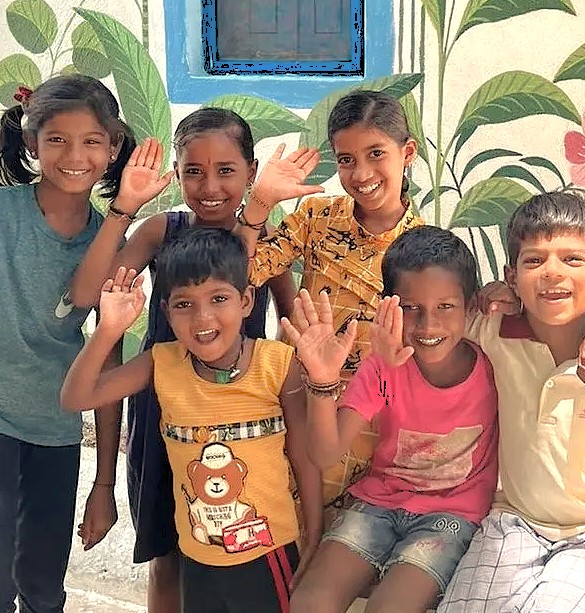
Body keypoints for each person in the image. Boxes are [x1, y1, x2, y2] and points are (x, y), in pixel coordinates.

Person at [65, 107, 298, 613]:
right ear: (176, 170)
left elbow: (291, 323)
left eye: (227, 170)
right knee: (168, 553)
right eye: (192, 170)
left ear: (252, 172)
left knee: (244, 549)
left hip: (247, 430)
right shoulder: (160, 231)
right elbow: (87, 296)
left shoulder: (266, 240)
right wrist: (124, 208)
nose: (209, 185)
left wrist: (257, 213)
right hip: (165, 420)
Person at [60, 228, 322, 612]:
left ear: (246, 300)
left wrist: (313, 535)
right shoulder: (161, 362)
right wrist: (108, 330)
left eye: (219, 298)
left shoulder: (277, 365)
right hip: (198, 559)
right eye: (184, 304)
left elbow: (304, 456)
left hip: (269, 556)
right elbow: (76, 398)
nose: (203, 318)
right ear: (166, 311)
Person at [437, 191, 585, 613]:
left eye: (572, 259)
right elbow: (434, 325)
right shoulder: (493, 332)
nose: (552, 273)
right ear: (512, 277)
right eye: (534, 261)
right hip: (512, 521)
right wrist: (479, 295)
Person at [283, 225, 499, 612]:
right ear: (388, 308)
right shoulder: (384, 366)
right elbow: (324, 454)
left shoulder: (493, 354)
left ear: (470, 307)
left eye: (445, 307)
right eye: (411, 308)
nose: (428, 325)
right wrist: (322, 381)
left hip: (451, 514)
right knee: (309, 603)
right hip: (378, 505)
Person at [234, 90, 423, 515]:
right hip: (294, 397)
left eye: (376, 154)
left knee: (337, 532)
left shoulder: (422, 247)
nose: (362, 173)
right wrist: (260, 204)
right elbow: (241, 277)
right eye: (346, 160)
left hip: (366, 415)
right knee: (267, 517)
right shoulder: (317, 218)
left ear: (406, 153)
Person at [0, 74, 136, 613]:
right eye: (57, 139)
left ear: (113, 148)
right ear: (32, 144)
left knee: (41, 586)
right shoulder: (5, 215)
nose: (74, 155)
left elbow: (107, 362)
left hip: (54, 434)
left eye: (91, 141)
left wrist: (103, 483)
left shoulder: (111, 241)